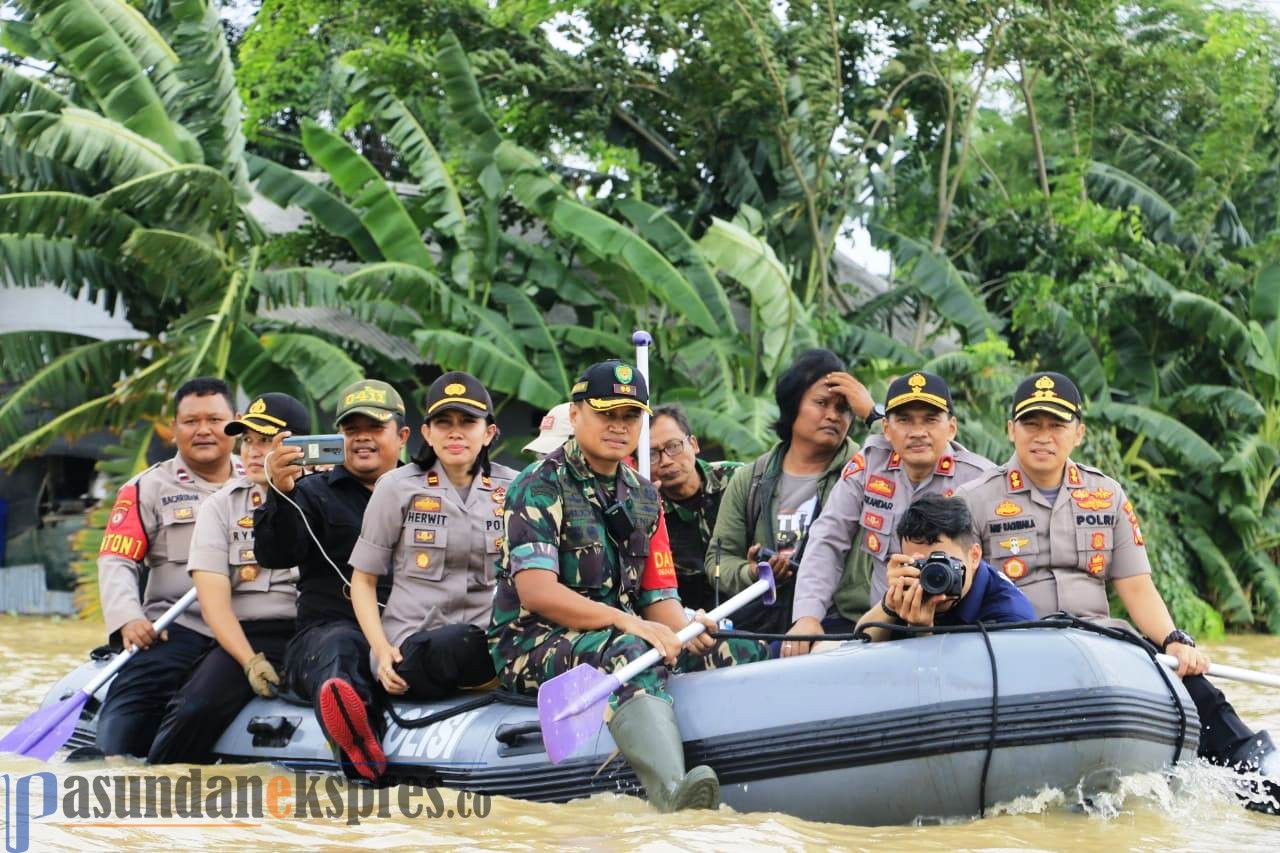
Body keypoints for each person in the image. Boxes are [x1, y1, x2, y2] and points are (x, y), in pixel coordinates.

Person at [957, 371, 1278, 812]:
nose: (1043, 437)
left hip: (1101, 642)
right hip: (1013, 646)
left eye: (1057, 425)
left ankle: (1260, 777)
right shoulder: (972, 499)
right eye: (1032, 424)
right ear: (1011, 428)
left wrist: (1173, 641)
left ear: (1079, 432)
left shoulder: (1105, 494)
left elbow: (1135, 585)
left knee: (1198, 689)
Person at [488, 360, 768, 812]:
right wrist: (629, 624)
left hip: (619, 631)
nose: (619, 427)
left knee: (735, 647)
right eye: (606, 414)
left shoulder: (644, 495)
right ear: (576, 414)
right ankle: (673, 794)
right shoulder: (537, 487)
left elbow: (659, 597)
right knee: (630, 653)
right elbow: (537, 593)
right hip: (532, 641)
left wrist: (686, 630)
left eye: (630, 416)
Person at [253, 379, 408, 782]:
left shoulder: (428, 491)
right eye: (351, 430)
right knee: (341, 647)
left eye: (374, 429)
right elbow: (275, 554)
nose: (362, 439)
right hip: (328, 632)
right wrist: (279, 493)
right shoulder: (310, 491)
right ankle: (359, 749)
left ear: (402, 436)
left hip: (409, 628)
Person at [348, 373, 518, 732]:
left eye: (468, 422)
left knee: (476, 642)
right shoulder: (396, 487)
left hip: (490, 642)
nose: (455, 433)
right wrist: (380, 651)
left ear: (489, 432)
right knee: (446, 645)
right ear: (427, 433)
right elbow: (362, 581)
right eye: (444, 422)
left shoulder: (516, 489)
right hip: (410, 644)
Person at [148, 393, 311, 764]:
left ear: (297, 446)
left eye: (266, 441)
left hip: (313, 632)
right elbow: (214, 605)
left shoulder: (327, 498)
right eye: (248, 440)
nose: (253, 452)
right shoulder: (220, 507)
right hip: (249, 636)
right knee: (194, 709)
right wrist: (250, 661)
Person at [785, 371, 994, 655]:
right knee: (804, 657)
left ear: (952, 428)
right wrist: (808, 616)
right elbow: (828, 539)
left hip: (955, 631)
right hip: (883, 625)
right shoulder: (870, 466)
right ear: (886, 428)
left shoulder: (979, 479)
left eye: (930, 420)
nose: (917, 432)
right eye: (904, 420)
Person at [95, 378, 242, 757]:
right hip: (179, 627)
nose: (204, 430)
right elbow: (117, 559)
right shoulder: (147, 488)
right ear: (174, 428)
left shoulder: (265, 480)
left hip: (250, 628)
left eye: (215, 419)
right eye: (191, 421)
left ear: (237, 423)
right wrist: (128, 618)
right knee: (122, 726)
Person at [705, 349, 876, 634]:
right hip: (767, 625)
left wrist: (872, 413)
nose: (833, 416)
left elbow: (908, 458)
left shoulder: (865, 471)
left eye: (844, 408)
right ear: (793, 405)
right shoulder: (751, 479)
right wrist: (755, 574)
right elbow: (718, 561)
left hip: (840, 626)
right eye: (821, 403)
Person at [854, 495, 1034, 641]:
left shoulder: (1009, 616)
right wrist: (890, 602)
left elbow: (972, 681)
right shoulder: (914, 587)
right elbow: (861, 646)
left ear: (974, 556)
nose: (934, 576)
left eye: (944, 564)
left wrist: (922, 632)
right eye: (922, 565)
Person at [648, 403, 743, 612]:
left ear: (694, 444)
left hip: (747, 599)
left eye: (673, 446)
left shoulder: (738, 481)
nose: (665, 461)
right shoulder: (645, 507)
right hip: (687, 618)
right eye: (652, 455)